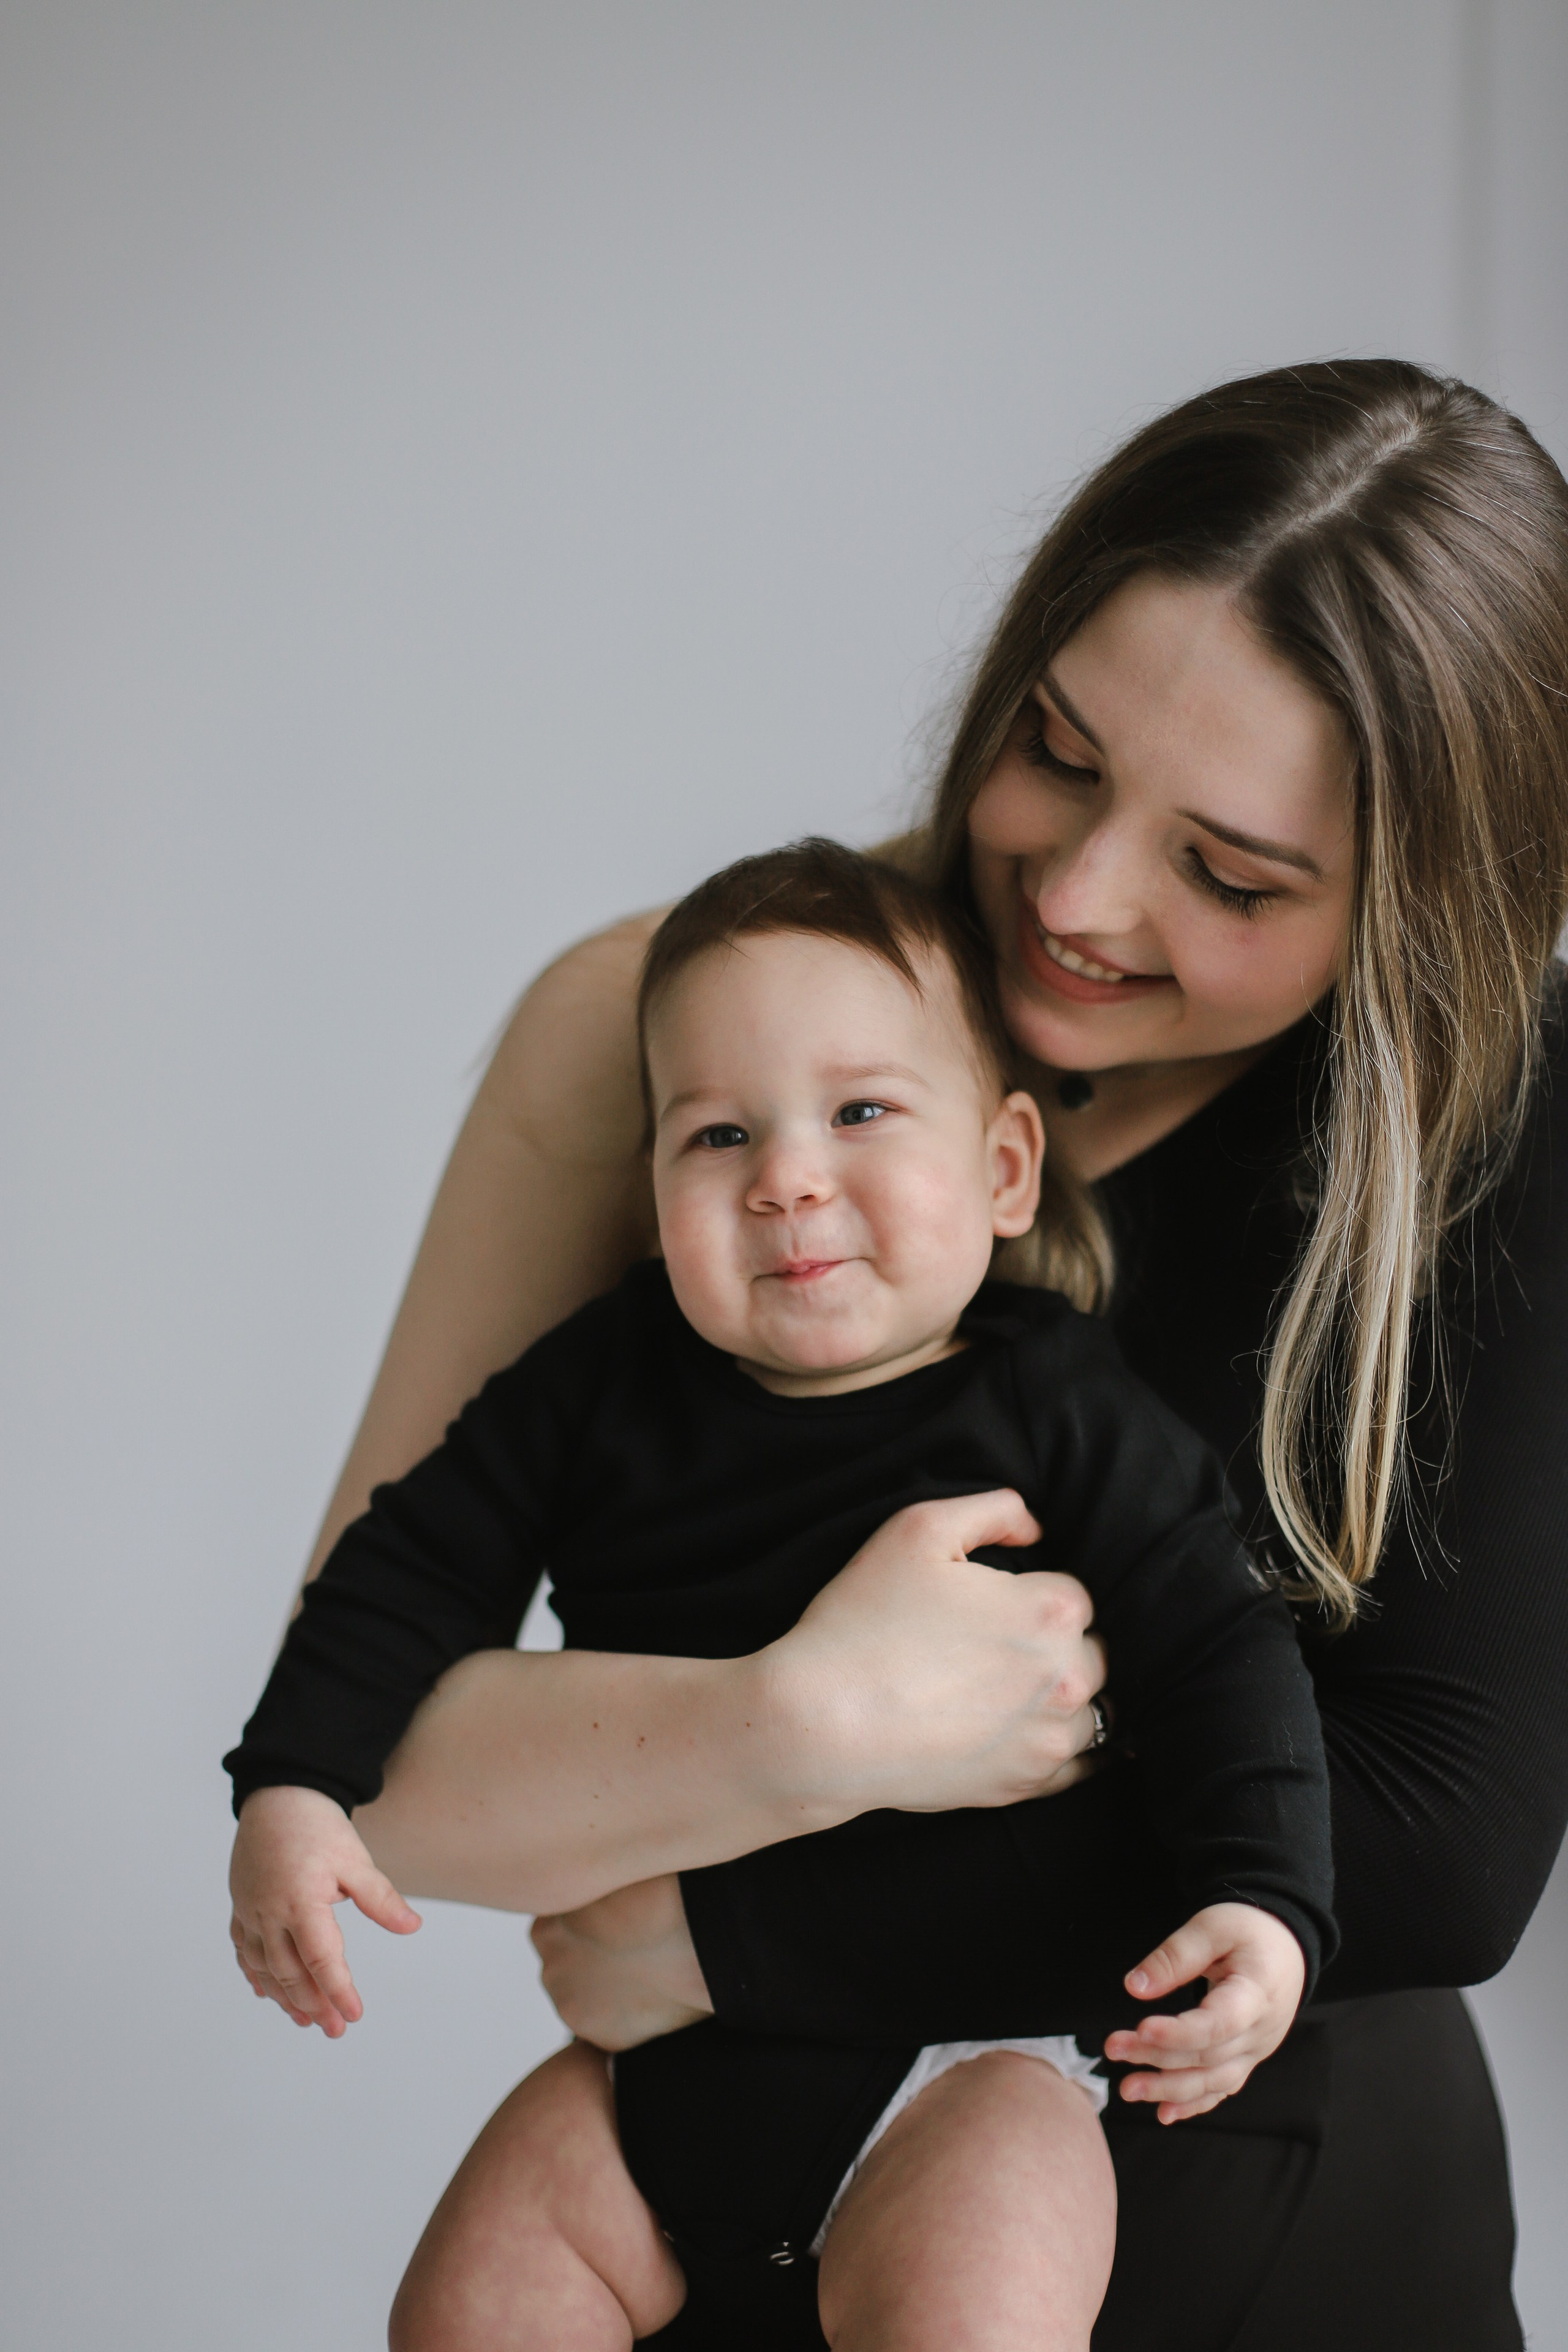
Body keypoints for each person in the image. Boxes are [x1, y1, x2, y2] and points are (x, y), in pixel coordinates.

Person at [231, 361, 1568, 2351]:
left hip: (1288, 2230)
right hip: (729, 2186)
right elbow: (391, 1763)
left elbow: (1444, 1843)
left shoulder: (1509, 1149)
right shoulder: (681, 1044)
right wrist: (800, 1726)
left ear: (1421, 903)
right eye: (1058, 749)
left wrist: (738, 1925)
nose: (1083, 895)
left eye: (1232, 874)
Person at [226, 842, 1333, 2351]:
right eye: (717, 1134)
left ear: (1002, 1169)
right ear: (654, 1184)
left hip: (963, 2064)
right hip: (650, 2069)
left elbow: (1217, 1645)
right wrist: (293, 1785)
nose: (788, 1177)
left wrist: (1263, 1903)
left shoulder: (1055, 1405)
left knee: (971, 2315)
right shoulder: (597, 1387)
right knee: (468, 2309)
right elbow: (404, 1571)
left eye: (861, 1112)